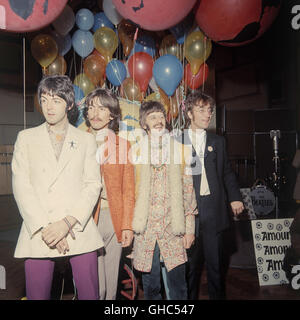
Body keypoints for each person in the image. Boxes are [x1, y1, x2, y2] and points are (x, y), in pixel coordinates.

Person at [12, 75, 104, 300]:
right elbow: (21, 187)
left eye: (56, 100)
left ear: (70, 104)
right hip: (39, 231)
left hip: (77, 229)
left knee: (91, 294)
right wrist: (46, 228)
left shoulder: (85, 140)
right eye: (44, 100)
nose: (48, 106)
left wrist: (66, 224)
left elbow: (93, 185)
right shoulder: (25, 138)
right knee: (37, 296)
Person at [181, 91, 244, 300]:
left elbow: (226, 172)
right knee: (189, 269)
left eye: (209, 110)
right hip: (188, 215)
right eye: (201, 110)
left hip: (213, 210)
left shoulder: (218, 142)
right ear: (189, 113)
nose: (207, 114)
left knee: (215, 267)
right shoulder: (176, 141)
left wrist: (235, 197)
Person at [131, 100, 197, 300]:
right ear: (144, 124)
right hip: (146, 231)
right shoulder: (135, 151)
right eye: (153, 117)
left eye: (161, 116)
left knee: (179, 288)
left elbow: (188, 192)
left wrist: (190, 229)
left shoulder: (181, 150)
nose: (159, 121)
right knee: (151, 288)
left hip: (173, 228)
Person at [83, 88, 135, 300]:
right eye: (91, 107)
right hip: (86, 220)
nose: (95, 113)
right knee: (96, 289)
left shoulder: (123, 145)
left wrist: (127, 226)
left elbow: (129, 189)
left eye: (102, 108)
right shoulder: (78, 141)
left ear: (112, 114)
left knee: (110, 289)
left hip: (113, 219)